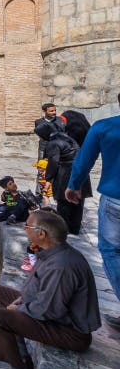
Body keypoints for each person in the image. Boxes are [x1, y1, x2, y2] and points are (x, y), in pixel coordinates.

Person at [0, 210, 101, 369]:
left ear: (41, 234)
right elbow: (38, 290)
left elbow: (49, 310)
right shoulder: (54, 253)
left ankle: (20, 366)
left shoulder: (61, 266)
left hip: (69, 332)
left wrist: (19, 308)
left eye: (27, 226)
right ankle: (17, 343)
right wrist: (20, 300)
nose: (24, 229)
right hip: (57, 317)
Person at [66, 91, 120, 328]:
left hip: (114, 199)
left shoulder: (105, 127)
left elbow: (84, 160)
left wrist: (73, 186)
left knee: (111, 251)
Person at [35, 121, 92, 235]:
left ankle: (63, 230)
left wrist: (48, 179)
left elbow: (53, 163)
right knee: (78, 203)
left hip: (65, 173)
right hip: (81, 172)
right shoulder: (68, 138)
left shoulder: (53, 143)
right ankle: (75, 229)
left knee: (64, 203)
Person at [0, 176, 30, 246]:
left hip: (20, 215)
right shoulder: (7, 194)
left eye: (13, 182)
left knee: (22, 202)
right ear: (6, 188)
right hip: (9, 212)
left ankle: (13, 216)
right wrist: (4, 194)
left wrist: (31, 203)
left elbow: (30, 205)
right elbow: (3, 200)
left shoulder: (21, 194)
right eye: (10, 184)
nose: (14, 184)